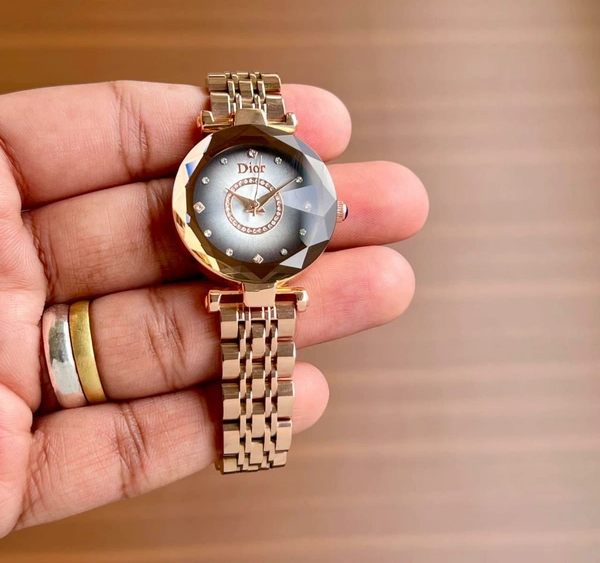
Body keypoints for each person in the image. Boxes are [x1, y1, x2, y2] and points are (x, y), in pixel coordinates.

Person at [0, 81, 428, 536]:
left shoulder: (289, 187)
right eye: (249, 200)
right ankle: (254, 442)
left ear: (332, 210)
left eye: (264, 200)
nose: (256, 204)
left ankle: (255, 443)